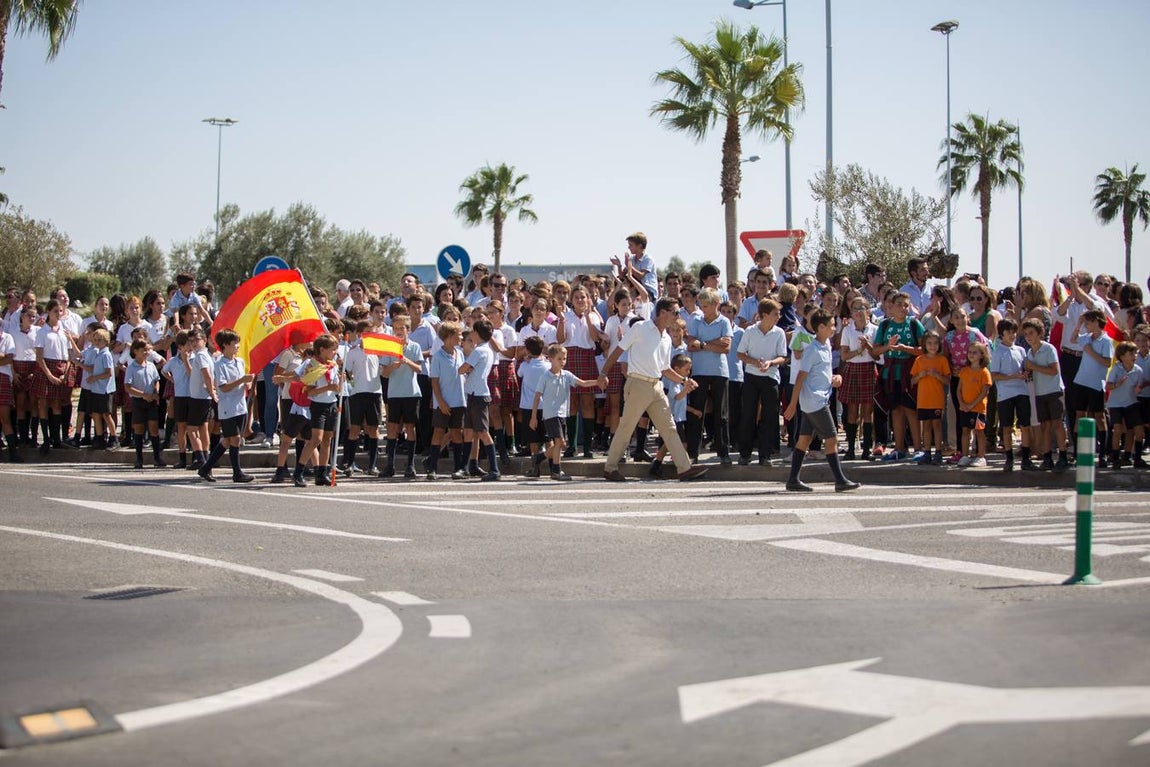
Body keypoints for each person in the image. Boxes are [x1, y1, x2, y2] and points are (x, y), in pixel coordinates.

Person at [598, 297, 708, 482]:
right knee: (627, 427)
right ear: (663, 312)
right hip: (637, 383)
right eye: (674, 312)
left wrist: (684, 380)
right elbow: (618, 351)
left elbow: (665, 368)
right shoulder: (640, 328)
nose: (677, 315)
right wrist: (603, 373)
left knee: (669, 427)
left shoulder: (665, 337)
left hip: (656, 385)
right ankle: (610, 468)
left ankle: (684, 468)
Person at [782, 309, 859, 492]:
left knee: (804, 440)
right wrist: (793, 404)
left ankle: (793, 479)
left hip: (816, 400)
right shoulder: (812, 349)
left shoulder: (825, 347)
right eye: (831, 325)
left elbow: (820, 373)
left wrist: (834, 379)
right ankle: (840, 480)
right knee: (831, 439)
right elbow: (801, 376)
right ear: (821, 327)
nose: (834, 328)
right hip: (815, 402)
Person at [532, 344, 605, 481]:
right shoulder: (545, 376)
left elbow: (582, 383)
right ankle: (556, 470)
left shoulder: (567, 375)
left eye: (564, 359)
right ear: (551, 359)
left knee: (560, 443)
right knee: (559, 441)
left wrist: (597, 382)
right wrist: (533, 417)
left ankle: (539, 457)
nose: (562, 362)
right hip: (550, 414)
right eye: (559, 359)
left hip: (562, 413)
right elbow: (537, 396)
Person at [871, 292, 925, 461]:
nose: (903, 308)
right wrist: (889, 346)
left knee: (911, 409)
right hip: (890, 372)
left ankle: (918, 449)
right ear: (891, 307)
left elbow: (924, 349)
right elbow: (876, 350)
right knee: (896, 410)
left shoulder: (915, 324)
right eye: (899, 304)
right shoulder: (885, 325)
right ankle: (900, 448)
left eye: (906, 305)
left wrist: (905, 349)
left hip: (909, 372)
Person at [737, 298, 787, 465]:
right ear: (764, 315)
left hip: (771, 377)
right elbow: (740, 354)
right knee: (748, 415)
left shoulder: (779, 333)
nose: (778, 316)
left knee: (770, 416)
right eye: (775, 314)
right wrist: (754, 362)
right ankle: (745, 454)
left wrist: (770, 363)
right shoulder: (750, 331)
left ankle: (765, 455)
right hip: (751, 376)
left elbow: (783, 356)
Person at [1021, 318, 1069, 472]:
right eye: (1026, 334)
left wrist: (1033, 366)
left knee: (1057, 424)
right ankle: (1047, 457)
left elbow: (1054, 370)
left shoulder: (1049, 349)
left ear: (1040, 333)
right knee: (1045, 426)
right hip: (1040, 393)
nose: (1028, 337)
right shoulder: (1029, 352)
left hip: (1054, 391)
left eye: (1031, 333)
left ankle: (1063, 456)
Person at [296, 334, 344, 486]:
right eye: (332, 349)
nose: (335, 352)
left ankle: (322, 473)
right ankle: (299, 472)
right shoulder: (313, 365)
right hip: (318, 404)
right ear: (322, 350)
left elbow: (337, 387)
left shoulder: (333, 365)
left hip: (331, 403)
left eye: (336, 349)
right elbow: (309, 391)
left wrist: (340, 383)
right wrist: (327, 387)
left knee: (327, 439)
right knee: (315, 439)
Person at [379, 315, 422, 479]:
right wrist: (393, 366)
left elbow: (419, 369)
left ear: (408, 330)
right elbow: (384, 373)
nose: (398, 332)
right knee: (392, 427)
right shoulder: (389, 348)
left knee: (410, 426)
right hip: (394, 393)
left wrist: (406, 361)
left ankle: (410, 465)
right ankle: (390, 465)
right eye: (395, 329)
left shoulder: (415, 347)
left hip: (411, 393)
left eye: (401, 328)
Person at [459, 319, 500, 481]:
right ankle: (469, 466)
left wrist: (465, 355)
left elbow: (462, 369)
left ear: (477, 333)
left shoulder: (479, 351)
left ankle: (494, 469)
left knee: (482, 432)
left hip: (478, 395)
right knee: (469, 431)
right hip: (474, 393)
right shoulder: (487, 350)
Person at [989, 318, 1032, 472]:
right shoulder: (998, 351)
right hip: (1005, 394)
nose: (1012, 335)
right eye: (1008, 332)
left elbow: (1025, 368)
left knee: (1025, 425)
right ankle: (1009, 458)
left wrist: (1025, 373)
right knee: (1006, 427)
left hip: (1022, 391)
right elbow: (994, 375)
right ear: (1002, 334)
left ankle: (1026, 458)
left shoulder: (1021, 350)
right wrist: (1013, 376)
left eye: (1014, 331)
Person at [1072, 310, 1114, 466]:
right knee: (1079, 416)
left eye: (1088, 322)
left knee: (1099, 418)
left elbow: (1107, 362)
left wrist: (1091, 351)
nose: (1087, 326)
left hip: (1096, 384)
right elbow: (1073, 339)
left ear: (1097, 322)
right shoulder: (1086, 338)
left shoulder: (1106, 341)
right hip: (1081, 382)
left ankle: (1102, 454)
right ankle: (1078, 453)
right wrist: (1078, 325)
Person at [341, 320, 383, 477]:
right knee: (354, 429)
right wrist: (351, 382)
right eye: (367, 332)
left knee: (373, 429)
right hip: (357, 393)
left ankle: (372, 465)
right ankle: (349, 463)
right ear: (359, 334)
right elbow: (347, 372)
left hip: (374, 392)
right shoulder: (352, 352)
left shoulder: (378, 352)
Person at [426, 321, 466, 480]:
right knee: (438, 432)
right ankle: (432, 467)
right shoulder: (438, 356)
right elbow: (434, 381)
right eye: (459, 334)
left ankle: (458, 468)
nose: (461, 337)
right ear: (449, 336)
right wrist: (441, 402)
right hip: (443, 402)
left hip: (459, 400)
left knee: (457, 433)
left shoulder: (460, 353)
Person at [649, 353, 698, 477]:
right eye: (686, 370)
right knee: (682, 444)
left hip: (678, 416)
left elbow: (680, 402)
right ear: (676, 369)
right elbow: (677, 396)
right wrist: (686, 388)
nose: (688, 372)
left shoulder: (679, 383)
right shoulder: (672, 381)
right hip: (674, 417)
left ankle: (657, 465)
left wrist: (692, 410)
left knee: (668, 444)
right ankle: (684, 467)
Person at [124, 338, 167, 469]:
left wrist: (156, 391)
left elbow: (156, 380)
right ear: (135, 351)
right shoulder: (131, 367)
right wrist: (143, 395)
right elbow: (128, 386)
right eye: (144, 350)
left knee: (153, 428)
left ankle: (157, 457)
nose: (147, 353)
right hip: (138, 401)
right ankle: (139, 458)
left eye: (148, 350)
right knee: (139, 429)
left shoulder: (151, 365)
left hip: (151, 401)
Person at [910, 330, 950, 466]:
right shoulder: (919, 360)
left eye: (935, 343)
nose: (932, 346)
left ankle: (938, 452)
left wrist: (937, 375)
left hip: (937, 399)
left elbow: (947, 380)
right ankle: (927, 452)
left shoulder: (942, 360)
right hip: (923, 400)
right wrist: (919, 376)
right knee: (926, 426)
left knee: (937, 425)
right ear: (924, 345)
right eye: (929, 343)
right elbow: (912, 380)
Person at [1104, 341, 1144, 469]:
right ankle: (1115, 458)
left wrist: (1139, 388)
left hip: (1131, 403)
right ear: (1122, 356)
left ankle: (1136, 458)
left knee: (1139, 431)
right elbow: (1108, 385)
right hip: (1116, 404)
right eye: (1131, 353)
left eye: (1135, 353)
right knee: (1117, 430)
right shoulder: (1116, 368)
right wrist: (1117, 384)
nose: (1134, 356)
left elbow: (1138, 386)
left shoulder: (1138, 371)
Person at [516, 335, 550, 477]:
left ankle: (535, 468)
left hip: (528, 406)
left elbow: (519, 373)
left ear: (528, 350)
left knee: (533, 440)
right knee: (549, 439)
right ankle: (554, 466)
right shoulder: (548, 365)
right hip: (546, 406)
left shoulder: (525, 366)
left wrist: (526, 359)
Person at [956, 342, 993, 468]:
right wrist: (962, 403)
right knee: (965, 430)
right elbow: (959, 389)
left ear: (982, 355)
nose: (971, 355)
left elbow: (985, 391)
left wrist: (972, 405)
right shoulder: (964, 371)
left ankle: (981, 456)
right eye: (970, 352)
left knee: (979, 432)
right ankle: (965, 455)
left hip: (978, 408)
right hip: (964, 407)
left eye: (975, 352)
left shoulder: (984, 372)